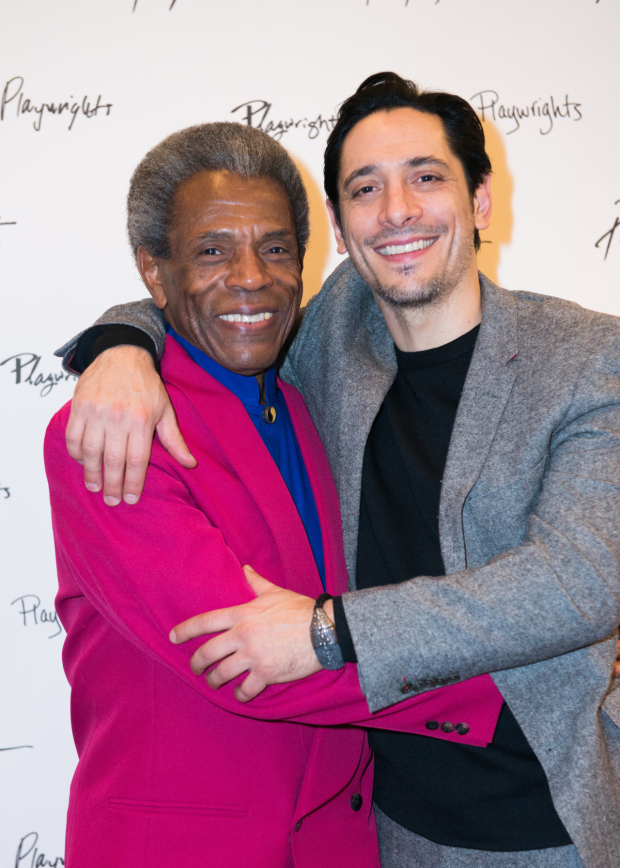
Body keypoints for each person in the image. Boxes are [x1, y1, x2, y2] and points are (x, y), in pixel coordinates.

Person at [55, 75, 620, 867]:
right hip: (382, 828)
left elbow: (579, 580)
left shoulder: (590, 357)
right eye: (366, 188)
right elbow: (215, 285)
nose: (397, 211)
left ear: (481, 199)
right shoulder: (330, 333)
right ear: (342, 227)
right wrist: (118, 344)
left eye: (426, 177)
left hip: (544, 824)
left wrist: (331, 632)